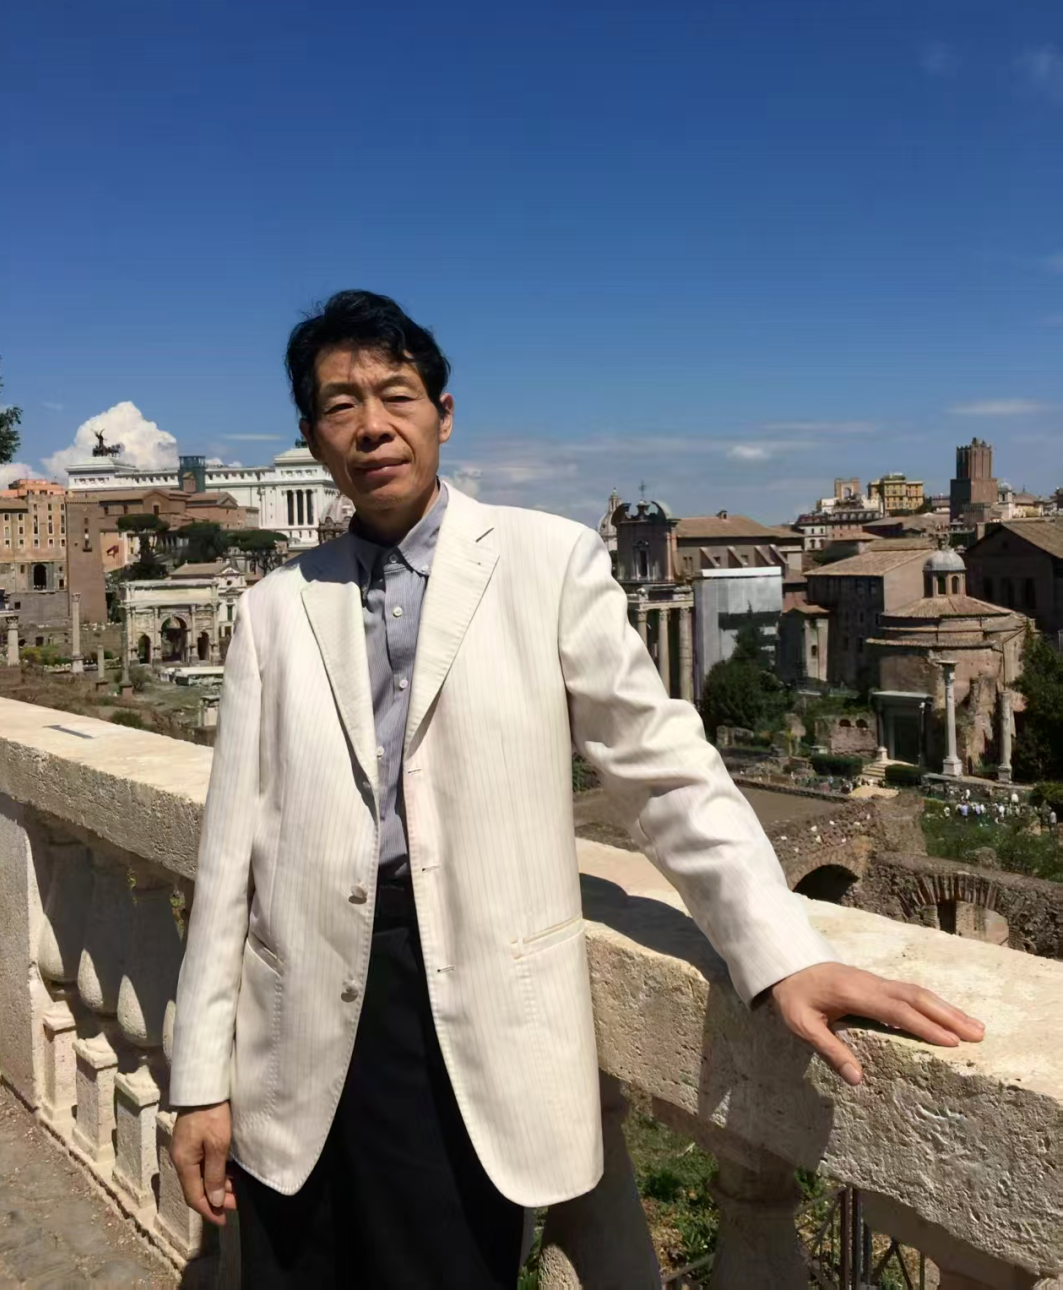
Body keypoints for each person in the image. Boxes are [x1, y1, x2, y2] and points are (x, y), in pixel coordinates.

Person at [168, 291, 984, 1287]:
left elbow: (661, 767)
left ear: (443, 414)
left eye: (396, 394)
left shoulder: (547, 561)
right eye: (341, 405)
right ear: (312, 439)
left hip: (458, 1014)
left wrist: (781, 952)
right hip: (291, 1031)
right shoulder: (271, 610)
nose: (372, 424)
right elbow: (230, 858)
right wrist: (199, 1076)